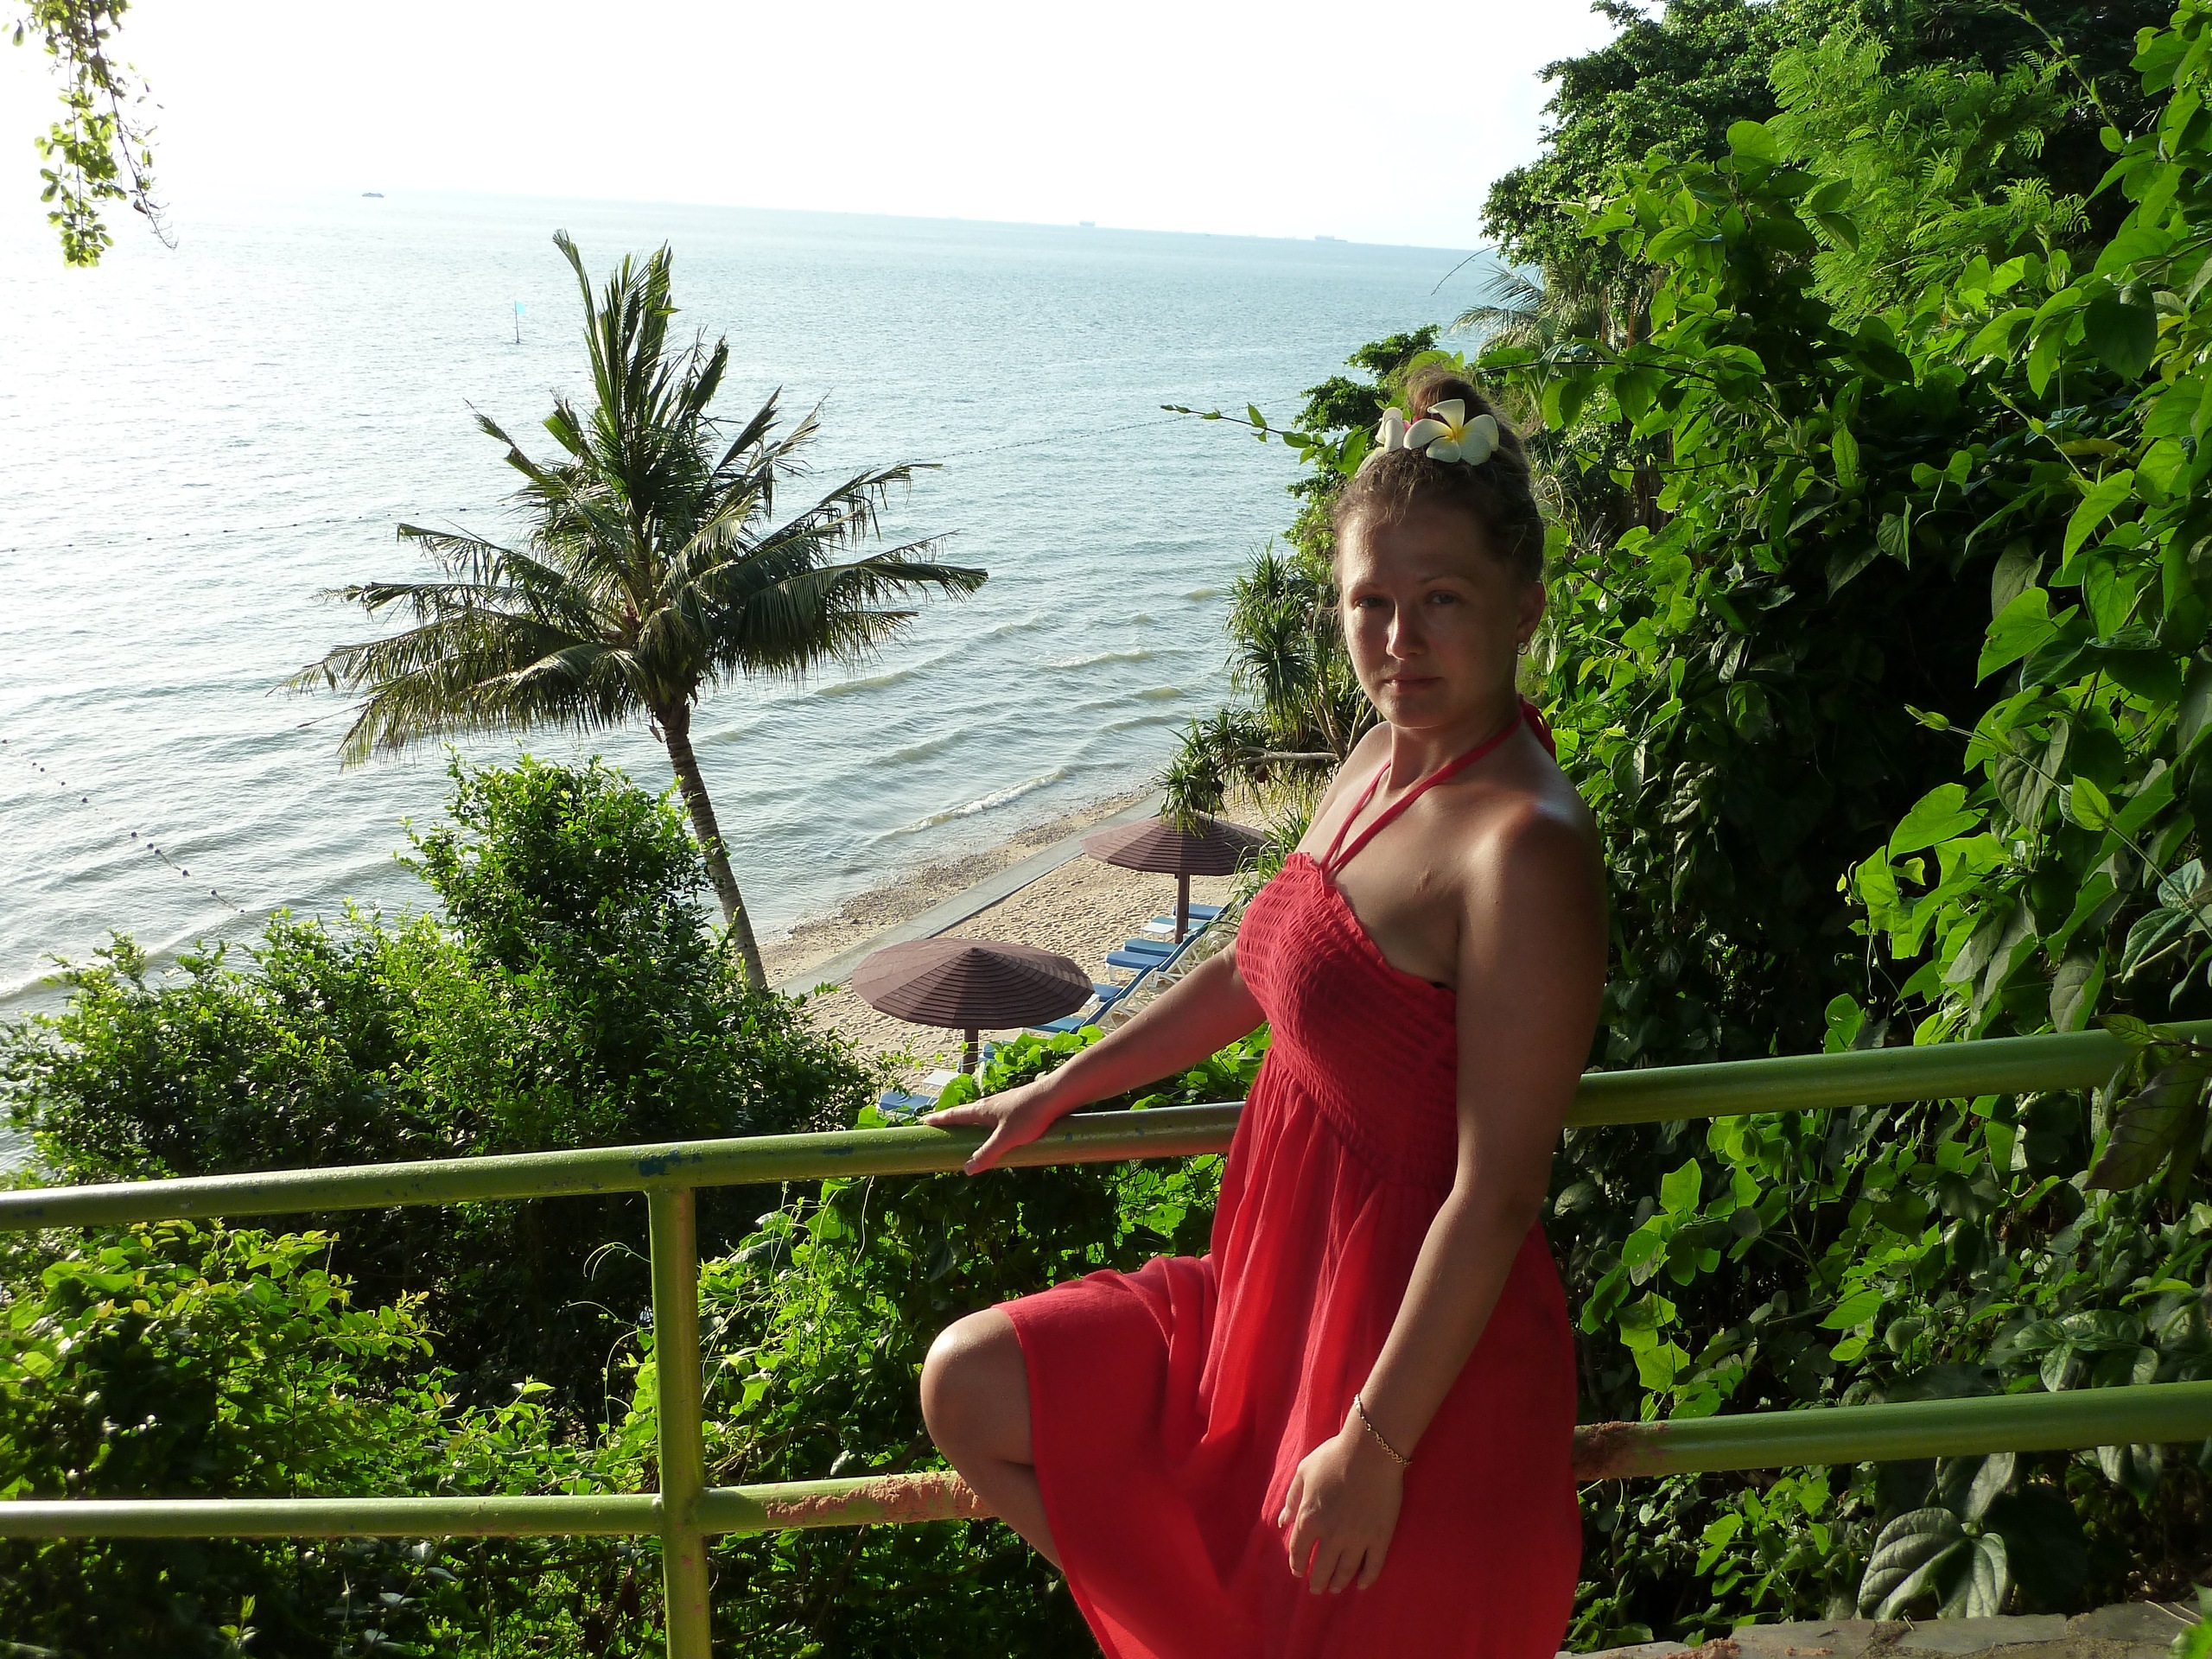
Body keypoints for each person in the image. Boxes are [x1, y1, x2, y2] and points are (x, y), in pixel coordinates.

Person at [919, 368, 1605, 1659]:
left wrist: (1375, 1445)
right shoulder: (1374, 760)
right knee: (972, 1383)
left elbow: (1499, 1190)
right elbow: (1259, 968)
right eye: (1371, 603)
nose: (1399, 640)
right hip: (1266, 1302)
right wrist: (1065, 1083)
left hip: (1411, 1369)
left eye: (1443, 600)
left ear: (1524, 604)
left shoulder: (1524, 846)